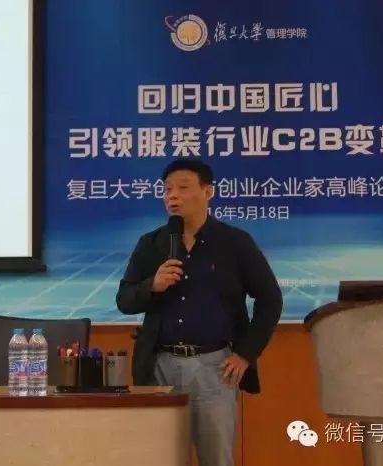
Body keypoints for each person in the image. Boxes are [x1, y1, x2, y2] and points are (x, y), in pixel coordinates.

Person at [116, 159, 282, 466]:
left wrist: (246, 354)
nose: (172, 196)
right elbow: (124, 300)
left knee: (216, 458)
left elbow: (270, 299)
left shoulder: (234, 242)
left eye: (183, 188)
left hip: (215, 367)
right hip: (159, 367)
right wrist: (152, 285)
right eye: (167, 189)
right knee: (159, 457)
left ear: (208, 192)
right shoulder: (151, 244)